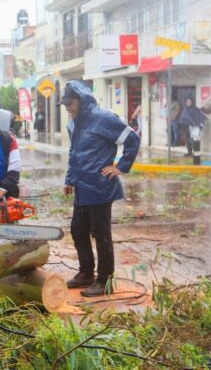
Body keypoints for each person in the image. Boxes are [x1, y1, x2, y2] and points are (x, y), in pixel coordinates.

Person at [60, 81, 140, 297]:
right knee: (78, 230)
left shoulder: (103, 119)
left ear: (82, 100)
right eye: (64, 104)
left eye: (70, 103)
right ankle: (86, 272)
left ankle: (105, 280)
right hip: (82, 187)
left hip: (100, 188)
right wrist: (69, 178)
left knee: (101, 234)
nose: (67, 107)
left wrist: (120, 167)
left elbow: (133, 139)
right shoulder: (75, 123)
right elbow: (74, 153)